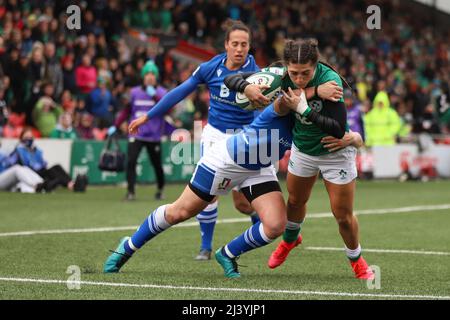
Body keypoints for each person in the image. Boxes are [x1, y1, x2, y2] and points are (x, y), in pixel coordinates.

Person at [103, 82, 356, 278]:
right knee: (179, 212)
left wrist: (351, 138)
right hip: (226, 161)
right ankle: (127, 247)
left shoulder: (310, 122)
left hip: (259, 169)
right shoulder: (281, 107)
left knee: (276, 224)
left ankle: (227, 253)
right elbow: (284, 101)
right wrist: (315, 90)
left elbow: (346, 133)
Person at [228, 38, 374, 280]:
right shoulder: (278, 75)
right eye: (294, 73)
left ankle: (356, 259)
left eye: (305, 73)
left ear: (315, 65)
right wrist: (246, 87)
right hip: (304, 150)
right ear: (286, 66)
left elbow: (337, 129)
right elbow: (231, 79)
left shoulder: (330, 79)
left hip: (335, 152)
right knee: (295, 202)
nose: (298, 78)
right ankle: (289, 240)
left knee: (342, 217)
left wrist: (304, 108)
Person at [127, 20, 269, 261]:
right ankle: (206, 246)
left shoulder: (260, 76)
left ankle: (264, 226)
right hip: (215, 137)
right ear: (226, 45)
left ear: (249, 47)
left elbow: (264, 110)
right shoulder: (210, 68)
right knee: (207, 195)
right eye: (234, 43)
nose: (239, 49)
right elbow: (179, 92)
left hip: (245, 138)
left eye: (244, 44)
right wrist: (148, 116)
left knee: (243, 204)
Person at [108, 60, 169, 201]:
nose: (150, 76)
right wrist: (115, 125)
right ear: (143, 76)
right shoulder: (134, 92)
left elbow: (168, 109)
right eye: (147, 73)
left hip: (154, 136)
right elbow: (126, 111)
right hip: (136, 133)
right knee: (131, 161)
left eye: (152, 73)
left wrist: (154, 95)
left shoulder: (161, 92)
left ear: (156, 76)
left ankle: (160, 189)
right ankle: (130, 192)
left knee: (157, 165)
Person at [8, 127, 88, 193]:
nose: (29, 139)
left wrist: (42, 163)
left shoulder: (35, 149)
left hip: (40, 170)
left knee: (57, 167)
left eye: (30, 137)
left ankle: (72, 183)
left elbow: (42, 161)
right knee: (53, 172)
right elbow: (20, 163)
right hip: (31, 172)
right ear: (22, 138)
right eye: (26, 137)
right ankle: (71, 185)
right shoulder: (19, 150)